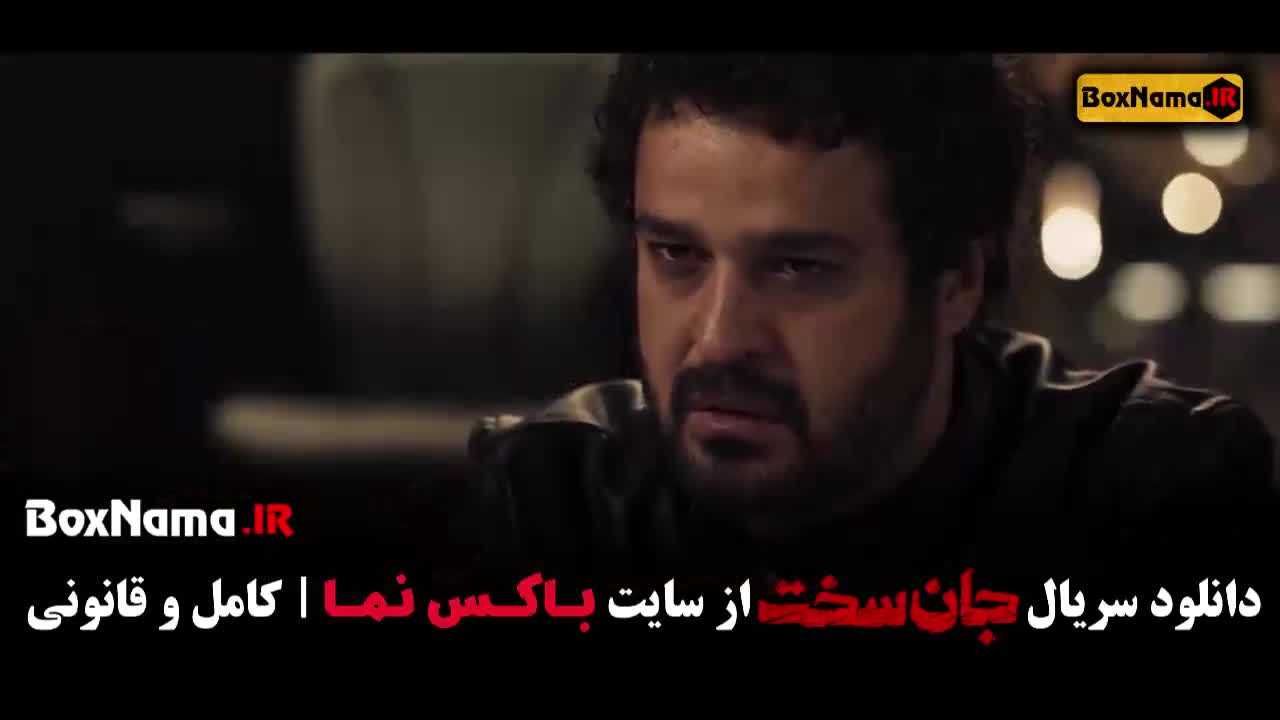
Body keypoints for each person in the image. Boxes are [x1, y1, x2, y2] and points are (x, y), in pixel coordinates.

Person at [459, 54, 1278, 615]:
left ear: (955, 280)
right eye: (677, 255)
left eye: (798, 268)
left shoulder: (1148, 495)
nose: (719, 340)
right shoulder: (557, 506)